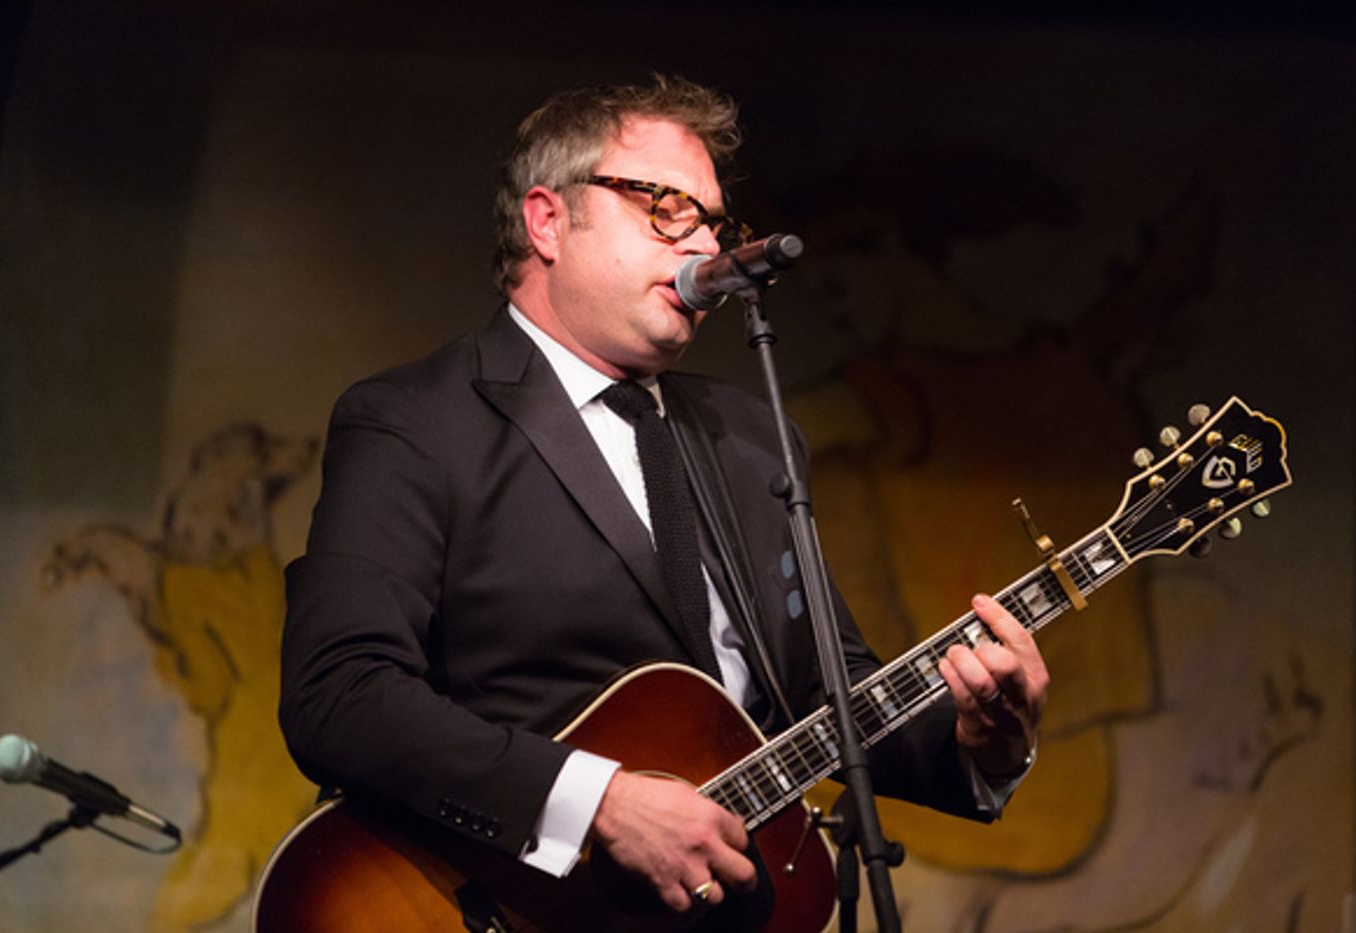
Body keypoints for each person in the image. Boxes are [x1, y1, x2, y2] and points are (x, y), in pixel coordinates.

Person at [279, 75, 1049, 923]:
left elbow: (826, 694)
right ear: (548, 220)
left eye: (713, 219)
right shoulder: (418, 420)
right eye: (664, 206)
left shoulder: (753, 437)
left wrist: (981, 745)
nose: (705, 246)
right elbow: (339, 691)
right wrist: (599, 802)